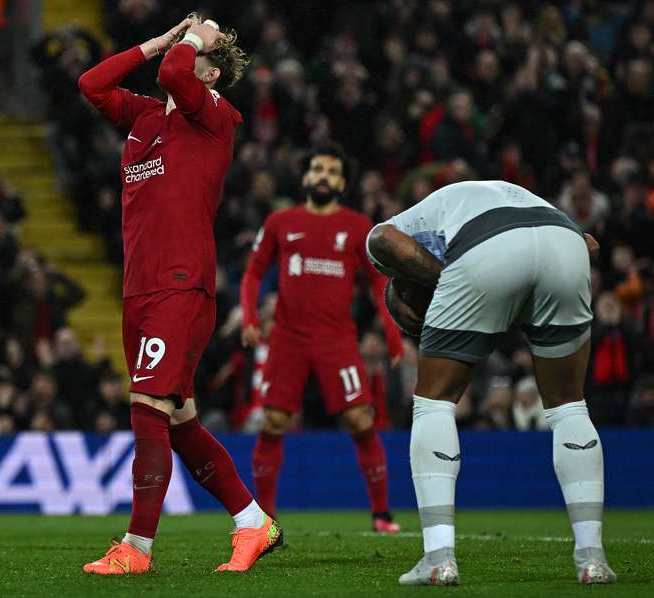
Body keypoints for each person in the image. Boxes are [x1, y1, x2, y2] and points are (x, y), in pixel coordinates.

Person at [78, 15, 281, 574]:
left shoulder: (215, 117)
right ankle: (251, 522)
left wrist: (196, 38)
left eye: (198, 58)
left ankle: (137, 547)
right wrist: (160, 42)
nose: (184, 59)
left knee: (146, 409)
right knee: (181, 422)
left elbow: (174, 72)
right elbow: (91, 85)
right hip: (138, 288)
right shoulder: (144, 118)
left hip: (180, 283)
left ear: (210, 74)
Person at [366, 179, 617, 585]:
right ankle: (593, 559)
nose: (418, 322)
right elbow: (588, 244)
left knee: (434, 403)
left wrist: (451, 280)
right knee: (570, 406)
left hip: (488, 246)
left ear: (403, 290)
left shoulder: (415, 226)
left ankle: (438, 558)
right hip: (565, 240)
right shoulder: (465, 202)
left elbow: (379, 239)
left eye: (410, 315)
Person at [239, 142, 404, 533]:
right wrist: (249, 317)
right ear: (305, 177)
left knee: (359, 417)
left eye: (331, 171)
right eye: (317, 169)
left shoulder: (358, 226)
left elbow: (379, 280)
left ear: (342, 183)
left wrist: (392, 332)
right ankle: (265, 519)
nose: (323, 176)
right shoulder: (280, 221)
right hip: (287, 339)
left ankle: (381, 514)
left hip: (336, 340)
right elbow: (252, 273)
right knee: (274, 421)